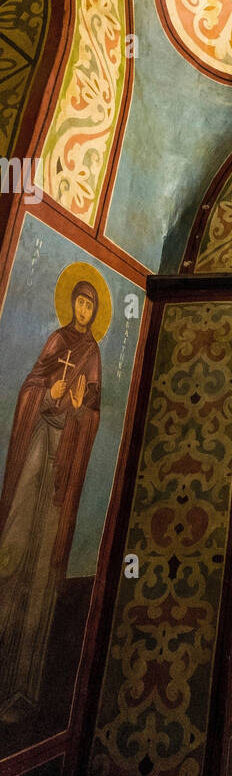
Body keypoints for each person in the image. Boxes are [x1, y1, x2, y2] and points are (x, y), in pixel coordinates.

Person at [0, 281, 102, 725]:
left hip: (63, 464)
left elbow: (93, 407)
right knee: (13, 550)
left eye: (89, 304)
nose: (82, 309)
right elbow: (32, 386)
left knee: (43, 567)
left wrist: (80, 407)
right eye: (79, 301)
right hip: (39, 446)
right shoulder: (59, 341)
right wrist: (49, 395)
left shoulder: (93, 353)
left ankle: (24, 687)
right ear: (71, 304)